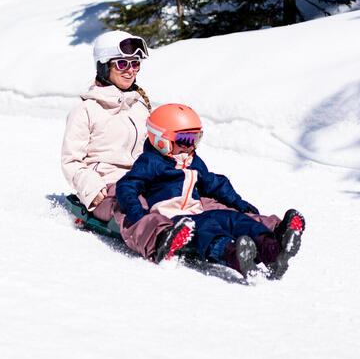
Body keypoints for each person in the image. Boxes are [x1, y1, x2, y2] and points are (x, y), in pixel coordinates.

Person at [61, 30, 295, 271]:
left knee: (197, 199)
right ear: (103, 66)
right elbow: (72, 161)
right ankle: (162, 236)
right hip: (107, 183)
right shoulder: (86, 110)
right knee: (128, 205)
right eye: (122, 63)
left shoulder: (138, 105)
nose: (130, 70)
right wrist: (91, 186)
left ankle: (271, 231)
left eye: (135, 64)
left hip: (151, 175)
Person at [115, 103, 305, 278]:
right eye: (184, 139)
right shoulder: (151, 162)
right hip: (176, 219)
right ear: (160, 139)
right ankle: (234, 255)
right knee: (208, 230)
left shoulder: (193, 161)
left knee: (237, 219)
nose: (191, 145)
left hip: (199, 211)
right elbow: (127, 185)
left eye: (195, 138)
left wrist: (239, 204)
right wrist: (137, 212)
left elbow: (215, 183)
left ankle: (273, 252)